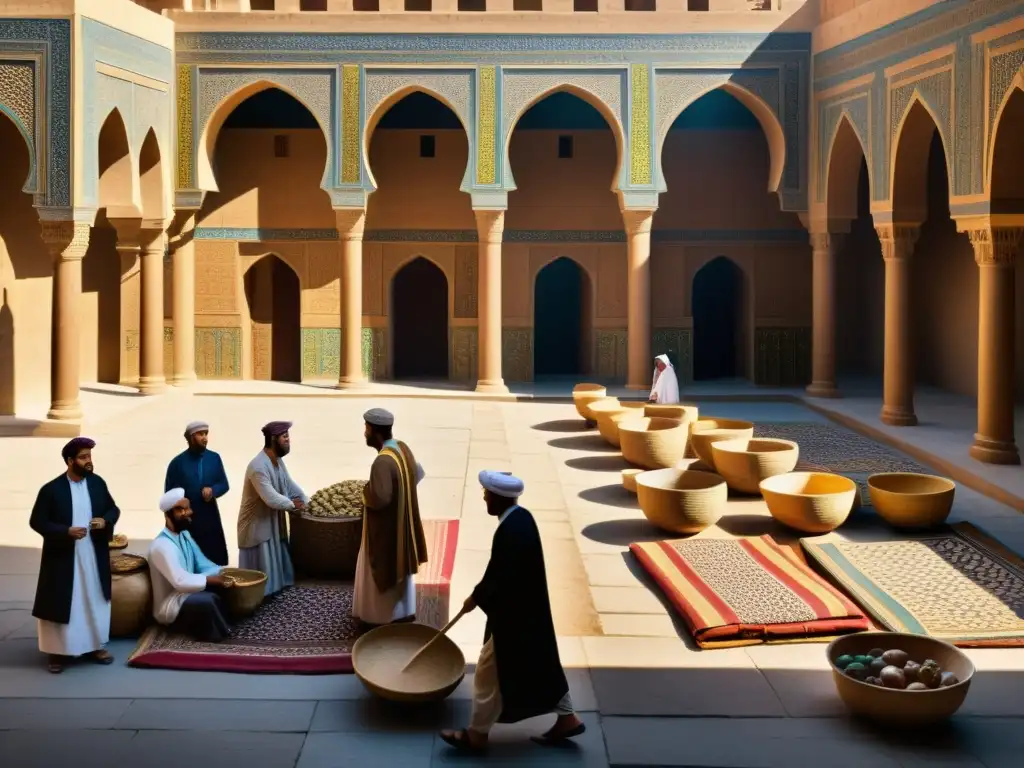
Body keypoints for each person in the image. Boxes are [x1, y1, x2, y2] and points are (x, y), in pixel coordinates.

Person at [440, 470, 584, 753]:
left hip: (515, 620)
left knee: (486, 671)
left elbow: (498, 577)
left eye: (486, 494)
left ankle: (477, 735)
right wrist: (479, 595)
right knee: (543, 667)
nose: (484, 499)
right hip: (530, 614)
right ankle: (568, 718)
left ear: (497, 498)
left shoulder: (509, 531)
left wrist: (476, 597)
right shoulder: (523, 518)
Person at [29, 437, 121, 674]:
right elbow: (37, 521)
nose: (89, 461)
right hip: (63, 558)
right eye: (83, 457)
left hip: (92, 554)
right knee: (64, 602)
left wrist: (105, 520)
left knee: (93, 599)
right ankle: (57, 652)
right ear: (70, 461)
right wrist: (64, 531)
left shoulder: (97, 483)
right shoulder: (51, 490)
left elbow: (113, 509)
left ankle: (95, 646)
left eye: (89, 456)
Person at [353, 408, 428, 627]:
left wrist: (365, 491)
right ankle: (403, 612)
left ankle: (378, 617)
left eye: (366, 429)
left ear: (375, 431)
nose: (365, 434)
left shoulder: (382, 462)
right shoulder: (402, 448)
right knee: (400, 565)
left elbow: (380, 498)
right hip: (403, 524)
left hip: (387, 530)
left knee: (383, 568)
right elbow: (418, 473)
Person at [148, 488, 231, 642]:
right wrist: (211, 580)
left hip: (189, 592)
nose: (188, 513)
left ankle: (224, 627)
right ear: (168, 515)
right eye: (181, 509)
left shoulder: (185, 536)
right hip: (171, 604)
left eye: (188, 508)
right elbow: (179, 581)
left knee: (226, 588)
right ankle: (219, 638)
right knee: (207, 601)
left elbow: (203, 564)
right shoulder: (161, 546)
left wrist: (225, 572)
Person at [237, 421, 306, 596]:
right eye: (285, 437)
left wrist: (307, 501)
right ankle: (260, 596)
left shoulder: (278, 461)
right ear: (273, 439)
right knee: (263, 564)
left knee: (277, 562)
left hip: (271, 521)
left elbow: (289, 485)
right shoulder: (258, 466)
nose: (288, 440)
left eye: (288, 436)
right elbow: (270, 497)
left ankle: (274, 592)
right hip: (256, 526)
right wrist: (292, 505)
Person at [164, 420, 231, 566]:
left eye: (206, 434)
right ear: (190, 437)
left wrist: (213, 490)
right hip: (187, 520)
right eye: (200, 434)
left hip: (210, 517)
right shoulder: (177, 463)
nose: (205, 438)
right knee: (189, 561)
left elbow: (224, 484)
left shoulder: (214, 458)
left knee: (213, 560)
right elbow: (168, 496)